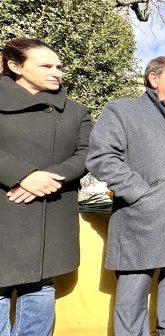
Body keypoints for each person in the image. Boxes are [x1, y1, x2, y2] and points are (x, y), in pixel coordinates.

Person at [86, 56, 165, 335]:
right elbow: (101, 157)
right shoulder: (123, 111)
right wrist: (142, 193)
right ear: (154, 80)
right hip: (140, 226)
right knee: (132, 308)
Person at [0, 38, 92, 336]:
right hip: (6, 216)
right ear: (15, 66)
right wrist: (23, 175)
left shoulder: (75, 111)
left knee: (40, 287)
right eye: (46, 65)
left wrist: (47, 178)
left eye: (59, 66)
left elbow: (88, 153)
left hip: (49, 217)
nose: (57, 72)